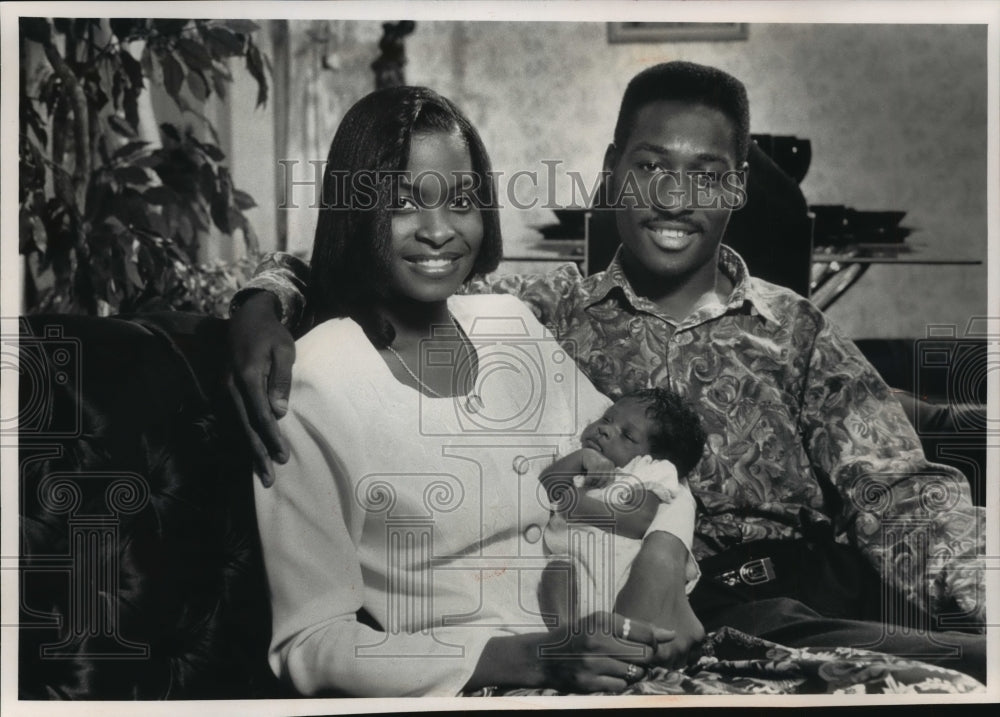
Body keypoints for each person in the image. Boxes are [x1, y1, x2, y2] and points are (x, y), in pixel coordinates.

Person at [230, 62, 986, 683]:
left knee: (970, 664)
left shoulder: (798, 327)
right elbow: (363, 260)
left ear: (737, 191)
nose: (674, 198)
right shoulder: (545, 309)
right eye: (651, 166)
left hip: (789, 592)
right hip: (650, 624)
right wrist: (261, 302)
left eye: (707, 175)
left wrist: (980, 590)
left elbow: (901, 490)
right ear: (612, 174)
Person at [255, 85, 700, 697]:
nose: (439, 232)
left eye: (461, 200)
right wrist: (527, 660)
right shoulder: (311, 383)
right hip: (477, 690)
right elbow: (311, 645)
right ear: (356, 211)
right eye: (403, 202)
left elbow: (656, 472)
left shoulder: (510, 324)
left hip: (627, 658)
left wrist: (663, 560)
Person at [538, 388, 706, 631]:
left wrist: (576, 504)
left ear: (653, 456)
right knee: (556, 571)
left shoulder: (646, 470)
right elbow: (543, 489)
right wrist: (580, 458)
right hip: (573, 568)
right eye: (607, 418)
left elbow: (638, 519)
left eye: (627, 436)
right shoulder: (578, 452)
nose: (605, 429)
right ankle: (568, 635)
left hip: (621, 576)